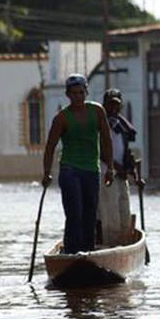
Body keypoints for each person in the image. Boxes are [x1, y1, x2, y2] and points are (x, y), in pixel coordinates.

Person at [42, 74, 114, 254]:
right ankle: (71, 252)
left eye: (81, 92)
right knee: (75, 213)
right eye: (74, 93)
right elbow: (50, 146)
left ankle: (87, 253)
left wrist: (110, 168)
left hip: (91, 170)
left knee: (90, 214)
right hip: (69, 170)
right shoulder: (62, 118)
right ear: (68, 94)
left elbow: (106, 139)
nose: (78, 97)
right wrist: (46, 173)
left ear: (86, 92)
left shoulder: (97, 111)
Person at [98, 88, 141, 246]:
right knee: (111, 215)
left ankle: (124, 245)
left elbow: (126, 151)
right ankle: (111, 246)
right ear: (105, 105)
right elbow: (100, 151)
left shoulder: (121, 126)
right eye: (111, 105)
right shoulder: (101, 124)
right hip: (106, 175)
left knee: (125, 212)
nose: (114, 109)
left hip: (121, 176)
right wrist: (115, 167)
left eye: (117, 105)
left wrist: (134, 174)